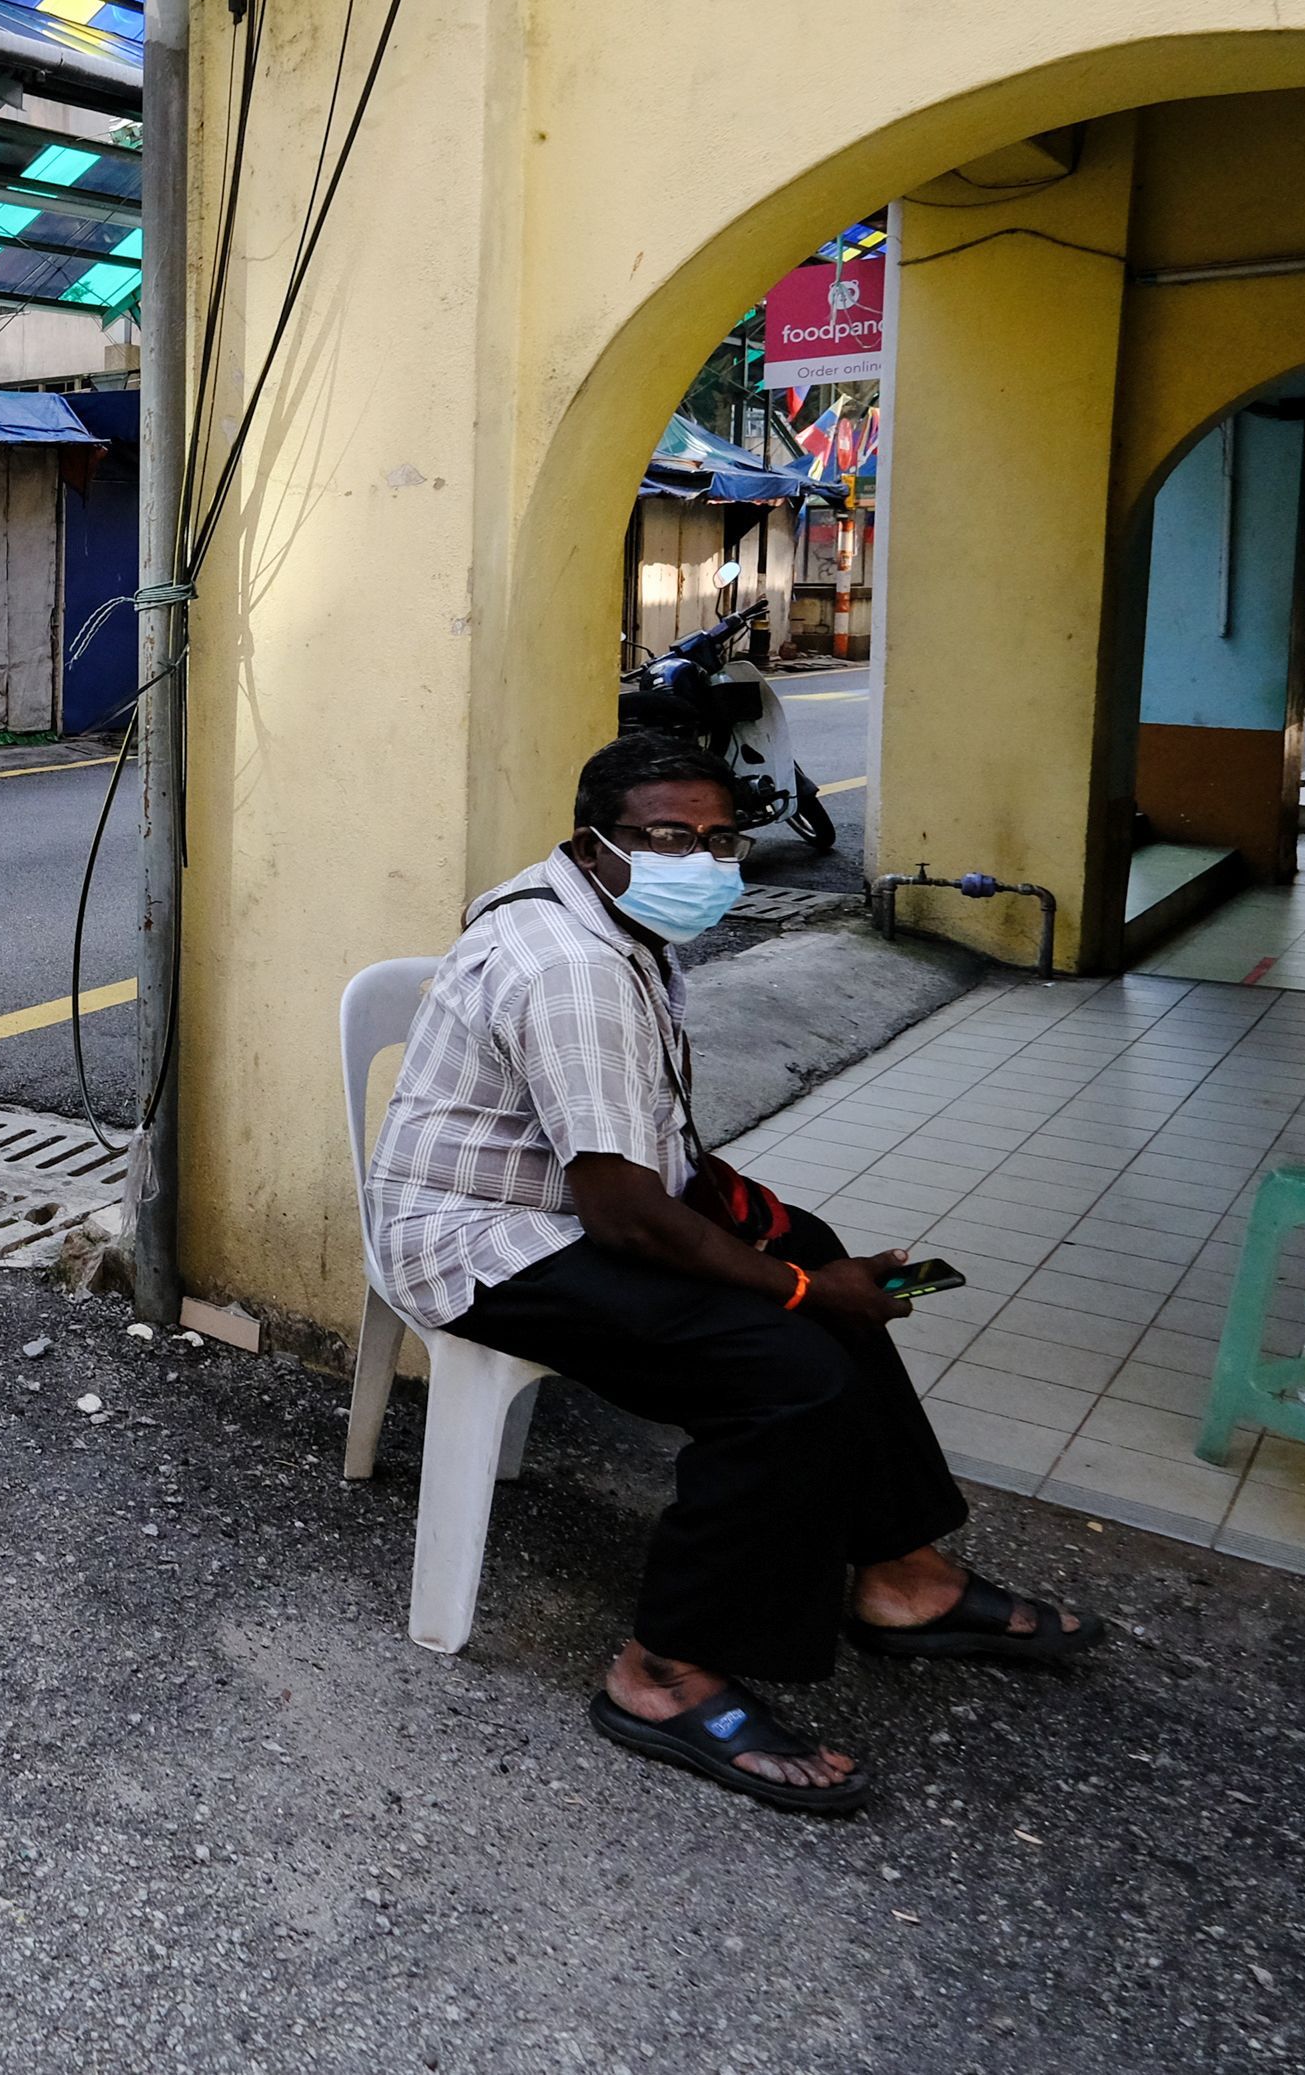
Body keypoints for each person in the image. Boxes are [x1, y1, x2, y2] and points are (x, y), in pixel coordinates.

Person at [360, 730, 1101, 1814]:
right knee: (787, 1364)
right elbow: (627, 1220)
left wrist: (792, 1250)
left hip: (560, 1207)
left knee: (813, 1248)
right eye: (670, 836)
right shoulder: (572, 970)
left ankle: (902, 1575)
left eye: (720, 840)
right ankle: (662, 1671)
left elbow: (646, 1147)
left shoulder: (601, 912)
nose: (702, 862)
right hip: (478, 1243)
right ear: (597, 843)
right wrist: (804, 1295)